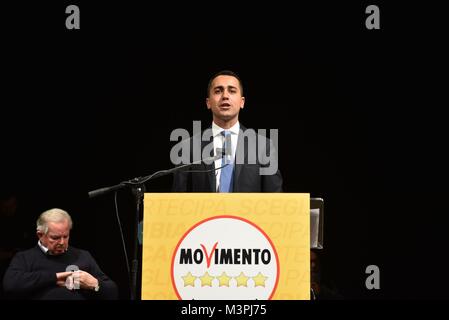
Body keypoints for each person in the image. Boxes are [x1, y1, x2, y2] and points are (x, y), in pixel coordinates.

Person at [172, 70, 283, 192]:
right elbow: (178, 200)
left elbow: (275, 199)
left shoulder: (263, 146)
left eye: (232, 91)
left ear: (242, 102)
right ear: (208, 102)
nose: (225, 96)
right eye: (218, 91)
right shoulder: (188, 147)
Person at [2, 208, 118, 299]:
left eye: (65, 236)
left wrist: (95, 284)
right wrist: (56, 277)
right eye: (55, 237)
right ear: (40, 235)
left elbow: (112, 293)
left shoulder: (82, 256)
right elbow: (10, 286)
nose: (62, 242)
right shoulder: (25, 258)